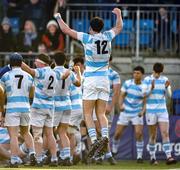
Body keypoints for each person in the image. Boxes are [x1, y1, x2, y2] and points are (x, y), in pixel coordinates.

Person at [54, 7, 123, 159]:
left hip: (91, 78)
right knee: (101, 113)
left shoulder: (87, 38)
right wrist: (118, 14)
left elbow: (66, 30)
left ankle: (95, 140)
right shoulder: (107, 36)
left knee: (87, 114)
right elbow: (119, 27)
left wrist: (58, 17)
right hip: (105, 78)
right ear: (102, 27)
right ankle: (104, 137)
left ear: (91, 28)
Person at [21, 53, 58, 167]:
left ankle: (38, 159)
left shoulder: (41, 71)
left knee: (37, 134)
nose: (35, 63)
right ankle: (54, 158)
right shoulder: (54, 73)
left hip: (39, 107)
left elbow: (30, 71)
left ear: (42, 63)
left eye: (36, 61)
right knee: (50, 134)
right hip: (50, 106)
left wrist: (19, 61)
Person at [0, 53, 36, 167]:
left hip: (12, 108)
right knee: (26, 133)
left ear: (10, 63)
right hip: (25, 107)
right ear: (22, 63)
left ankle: (14, 160)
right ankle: (33, 153)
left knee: (14, 135)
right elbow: (32, 92)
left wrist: (2, 108)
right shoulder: (29, 76)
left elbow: (1, 92)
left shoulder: (6, 76)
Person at [144, 63, 177, 165]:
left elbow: (170, 96)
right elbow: (144, 94)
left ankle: (169, 157)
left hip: (162, 110)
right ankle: (153, 158)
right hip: (150, 111)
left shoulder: (164, 79)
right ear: (153, 71)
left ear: (161, 72)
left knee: (165, 133)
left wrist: (167, 88)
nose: (157, 75)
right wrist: (151, 88)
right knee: (153, 135)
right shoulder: (147, 80)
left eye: (159, 73)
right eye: (156, 72)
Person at [112, 66, 146, 163]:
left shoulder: (144, 86)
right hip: (125, 112)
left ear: (142, 75)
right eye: (134, 73)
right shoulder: (128, 83)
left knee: (138, 134)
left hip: (137, 113)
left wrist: (142, 111)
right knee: (117, 134)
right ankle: (114, 152)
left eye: (138, 73)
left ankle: (139, 157)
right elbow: (121, 95)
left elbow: (145, 101)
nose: (135, 75)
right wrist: (120, 105)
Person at [52, 51, 81, 166]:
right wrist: (78, 72)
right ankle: (66, 157)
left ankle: (50, 156)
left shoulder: (52, 72)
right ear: (65, 61)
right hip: (68, 104)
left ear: (54, 61)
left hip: (56, 104)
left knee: (50, 132)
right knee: (63, 132)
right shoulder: (70, 73)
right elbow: (78, 84)